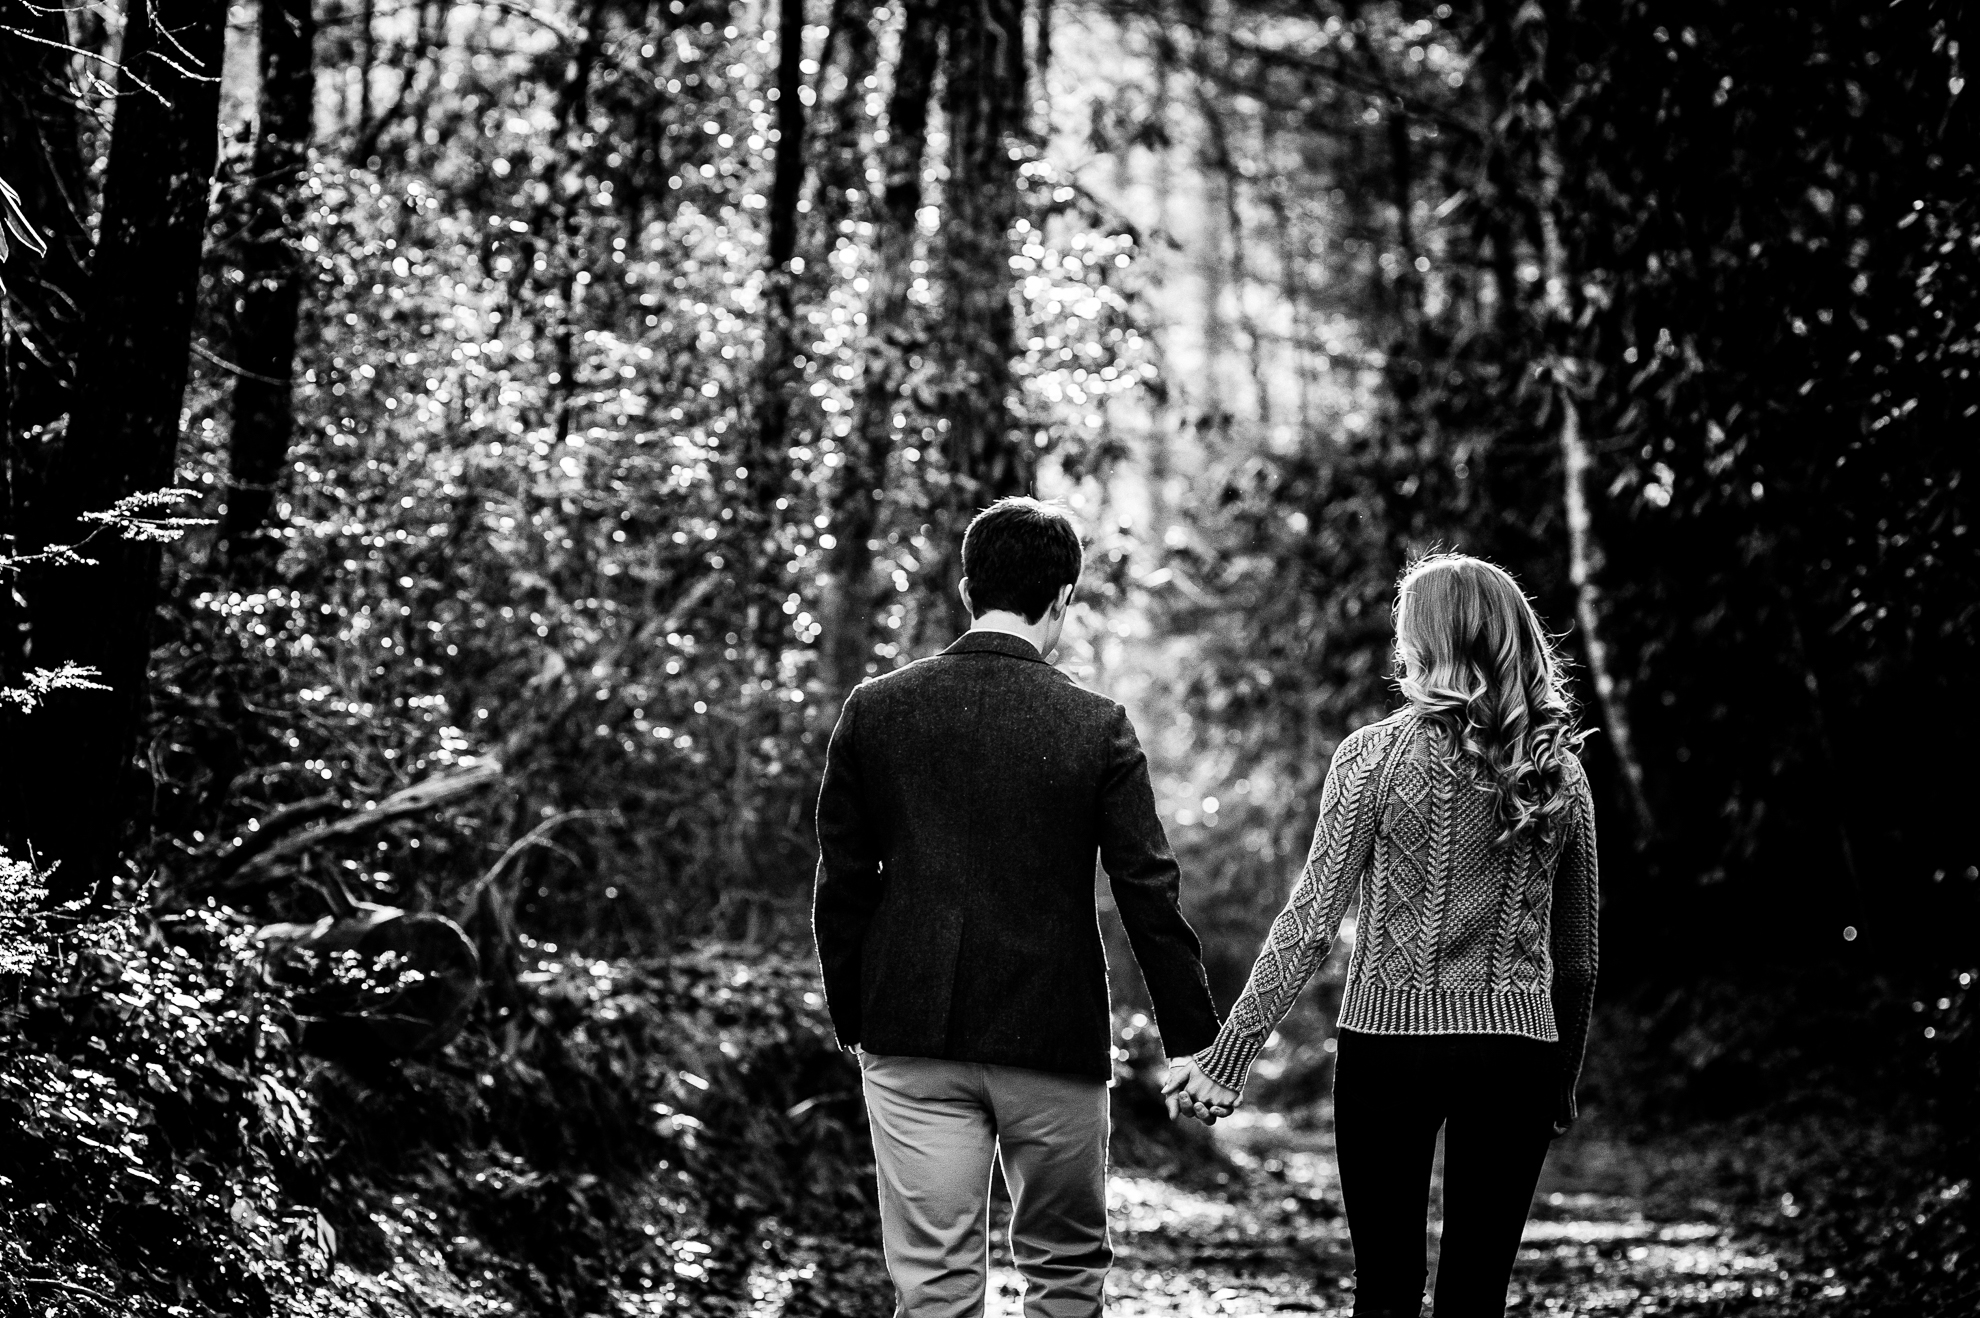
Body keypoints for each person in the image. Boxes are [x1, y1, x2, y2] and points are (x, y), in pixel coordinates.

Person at [813, 495, 1221, 1318]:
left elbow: (843, 881)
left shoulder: (876, 710)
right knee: (1065, 1274)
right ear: (1064, 596)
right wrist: (1193, 1044)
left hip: (910, 1031)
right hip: (1051, 1034)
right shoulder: (1095, 724)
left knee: (932, 1284)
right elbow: (1148, 888)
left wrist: (856, 1012)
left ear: (968, 591)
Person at [1165, 552, 1600, 1318]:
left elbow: (1311, 922)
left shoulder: (1370, 756)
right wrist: (1559, 1077)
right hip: (1515, 1055)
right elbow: (1578, 961)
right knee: (1477, 1293)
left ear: (1423, 641)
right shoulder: (1556, 767)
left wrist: (1226, 1060)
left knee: (1389, 1287)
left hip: (1388, 1045)